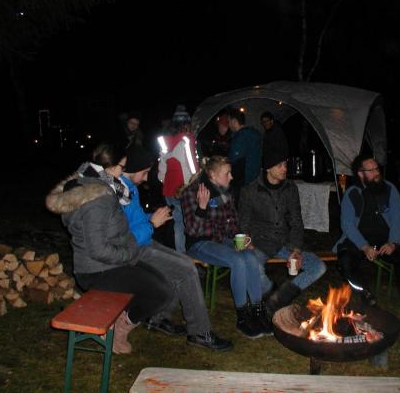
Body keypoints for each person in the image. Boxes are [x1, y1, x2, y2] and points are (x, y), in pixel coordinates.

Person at [76, 143, 233, 351]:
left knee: (181, 265)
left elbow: (131, 222)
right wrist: (152, 224)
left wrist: (153, 217)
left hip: (140, 242)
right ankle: (199, 332)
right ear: (124, 169)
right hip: (133, 249)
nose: (146, 176)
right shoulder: (114, 191)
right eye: (144, 172)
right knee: (186, 269)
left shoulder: (125, 188)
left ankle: (159, 318)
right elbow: (121, 236)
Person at [45, 169, 171, 355]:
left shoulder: (95, 192)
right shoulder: (96, 200)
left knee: (160, 283)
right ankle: (120, 327)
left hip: (110, 264)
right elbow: (98, 249)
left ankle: (118, 319)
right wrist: (128, 253)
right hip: (97, 272)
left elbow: (111, 234)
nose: (144, 177)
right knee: (160, 293)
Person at [179, 156, 272, 339]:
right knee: (238, 260)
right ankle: (243, 316)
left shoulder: (224, 193)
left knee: (250, 256)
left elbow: (233, 225)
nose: (231, 177)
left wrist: (242, 240)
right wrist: (202, 207)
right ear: (212, 175)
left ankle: (257, 311)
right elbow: (193, 230)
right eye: (227, 173)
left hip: (222, 240)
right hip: (200, 243)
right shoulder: (192, 192)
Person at [238, 140, 326, 316]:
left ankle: (279, 298)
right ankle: (273, 294)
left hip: (284, 243)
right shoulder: (250, 191)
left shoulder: (290, 188)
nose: (285, 168)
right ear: (268, 168)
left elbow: (296, 220)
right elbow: (243, 222)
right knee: (253, 266)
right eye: (280, 165)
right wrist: (246, 243)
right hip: (259, 243)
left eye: (285, 163)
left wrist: (296, 249)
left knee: (318, 266)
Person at [332, 153, 400, 312]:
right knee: (345, 260)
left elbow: (398, 217)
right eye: (370, 170)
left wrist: (393, 242)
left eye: (376, 168)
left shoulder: (389, 189)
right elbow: (347, 225)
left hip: (387, 239)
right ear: (360, 173)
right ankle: (366, 294)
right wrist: (364, 247)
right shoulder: (352, 193)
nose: (376, 173)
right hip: (360, 240)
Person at [157, 105, 200, 253]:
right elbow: (192, 166)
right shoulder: (186, 140)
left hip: (169, 188)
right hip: (185, 188)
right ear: (187, 123)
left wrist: (164, 181)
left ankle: (181, 254)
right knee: (190, 222)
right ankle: (191, 254)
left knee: (178, 223)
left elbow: (162, 166)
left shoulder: (165, 141)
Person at [226, 107, 262, 203]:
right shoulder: (255, 134)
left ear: (234, 121)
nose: (228, 125)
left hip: (244, 182)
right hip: (256, 178)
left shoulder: (241, 137)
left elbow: (232, 159)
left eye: (229, 121)